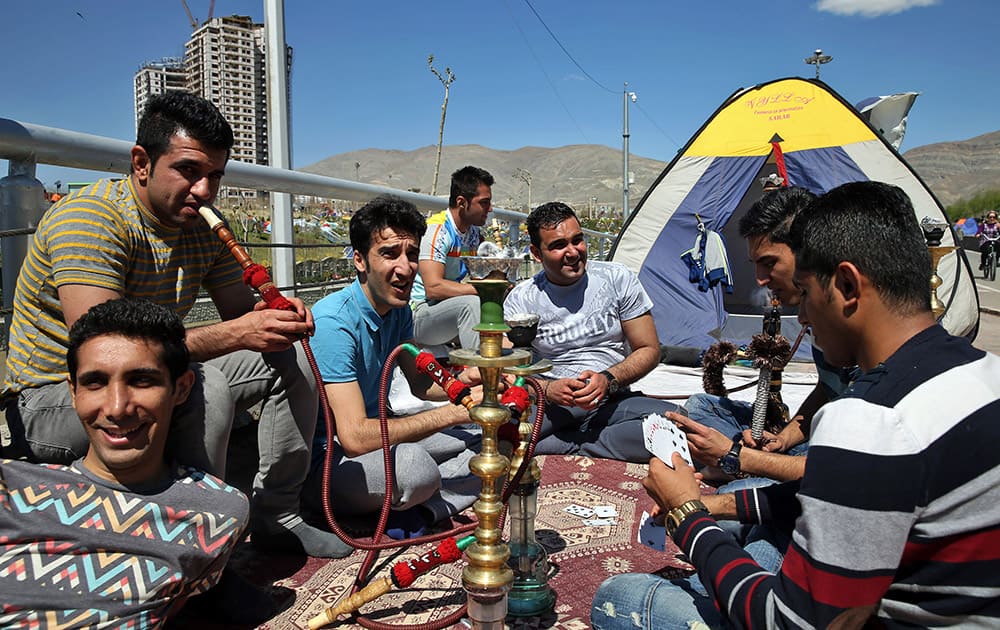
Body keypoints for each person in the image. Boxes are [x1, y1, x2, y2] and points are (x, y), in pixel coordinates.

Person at [592, 181, 1000, 629]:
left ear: (846, 285)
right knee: (746, 520)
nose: (802, 316)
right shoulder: (987, 372)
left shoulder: (871, 420)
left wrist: (689, 514)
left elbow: (786, 622)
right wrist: (713, 507)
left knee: (620, 596)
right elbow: (830, 491)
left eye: (806, 293)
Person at [0, 90, 349, 558]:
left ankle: (277, 514)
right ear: (142, 163)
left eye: (214, 176)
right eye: (188, 171)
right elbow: (105, 349)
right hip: (55, 396)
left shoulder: (203, 224)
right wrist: (234, 333)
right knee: (205, 387)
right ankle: (196, 549)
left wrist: (274, 318)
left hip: (153, 375)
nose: (204, 191)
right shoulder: (91, 219)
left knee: (284, 359)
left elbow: (239, 316)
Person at [1, 298, 249, 626]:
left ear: (181, 389)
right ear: (73, 392)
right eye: (95, 383)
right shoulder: (12, 488)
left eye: (141, 381)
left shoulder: (220, 513)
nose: (117, 408)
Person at [305, 195, 483, 535]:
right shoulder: (334, 324)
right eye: (389, 254)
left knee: (483, 438)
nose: (406, 268)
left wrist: (463, 381)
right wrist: (451, 413)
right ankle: (424, 502)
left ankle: (421, 509)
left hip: (375, 443)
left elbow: (421, 383)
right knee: (417, 468)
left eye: (412, 254)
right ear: (359, 260)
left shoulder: (398, 309)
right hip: (330, 465)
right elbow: (355, 437)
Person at [680, 186, 858, 484]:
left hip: (840, 457)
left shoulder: (853, 323)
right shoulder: (814, 315)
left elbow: (853, 463)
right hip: (811, 443)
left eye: (770, 263)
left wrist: (739, 457)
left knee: (738, 498)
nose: (760, 280)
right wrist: (783, 440)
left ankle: (749, 473)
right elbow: (829, 388)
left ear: (807, 251)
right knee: (701, 407)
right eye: (756, 265)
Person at [503, 202, 684, 462]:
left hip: (612, 398)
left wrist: (608, 379)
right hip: (553, 405)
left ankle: (575, 442)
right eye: (558, 245)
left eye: (578, 240)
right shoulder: (522, 299)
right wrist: (548, 389)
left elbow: (649, 349)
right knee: (502, 436)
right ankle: (594, 438)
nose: (573, 252)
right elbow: (508, 370)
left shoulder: (617, 278)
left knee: (677, 425)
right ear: (536, 253)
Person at [410, 165, 494, 349]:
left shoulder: (472, 234)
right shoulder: (436, 231)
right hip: (420, 313)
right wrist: (485, 290)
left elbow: (478, 275)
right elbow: (433, 288)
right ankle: (477, 372)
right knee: (472, 304)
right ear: (462, 202)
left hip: (446, 309)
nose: (490, 208)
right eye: (484, 203)